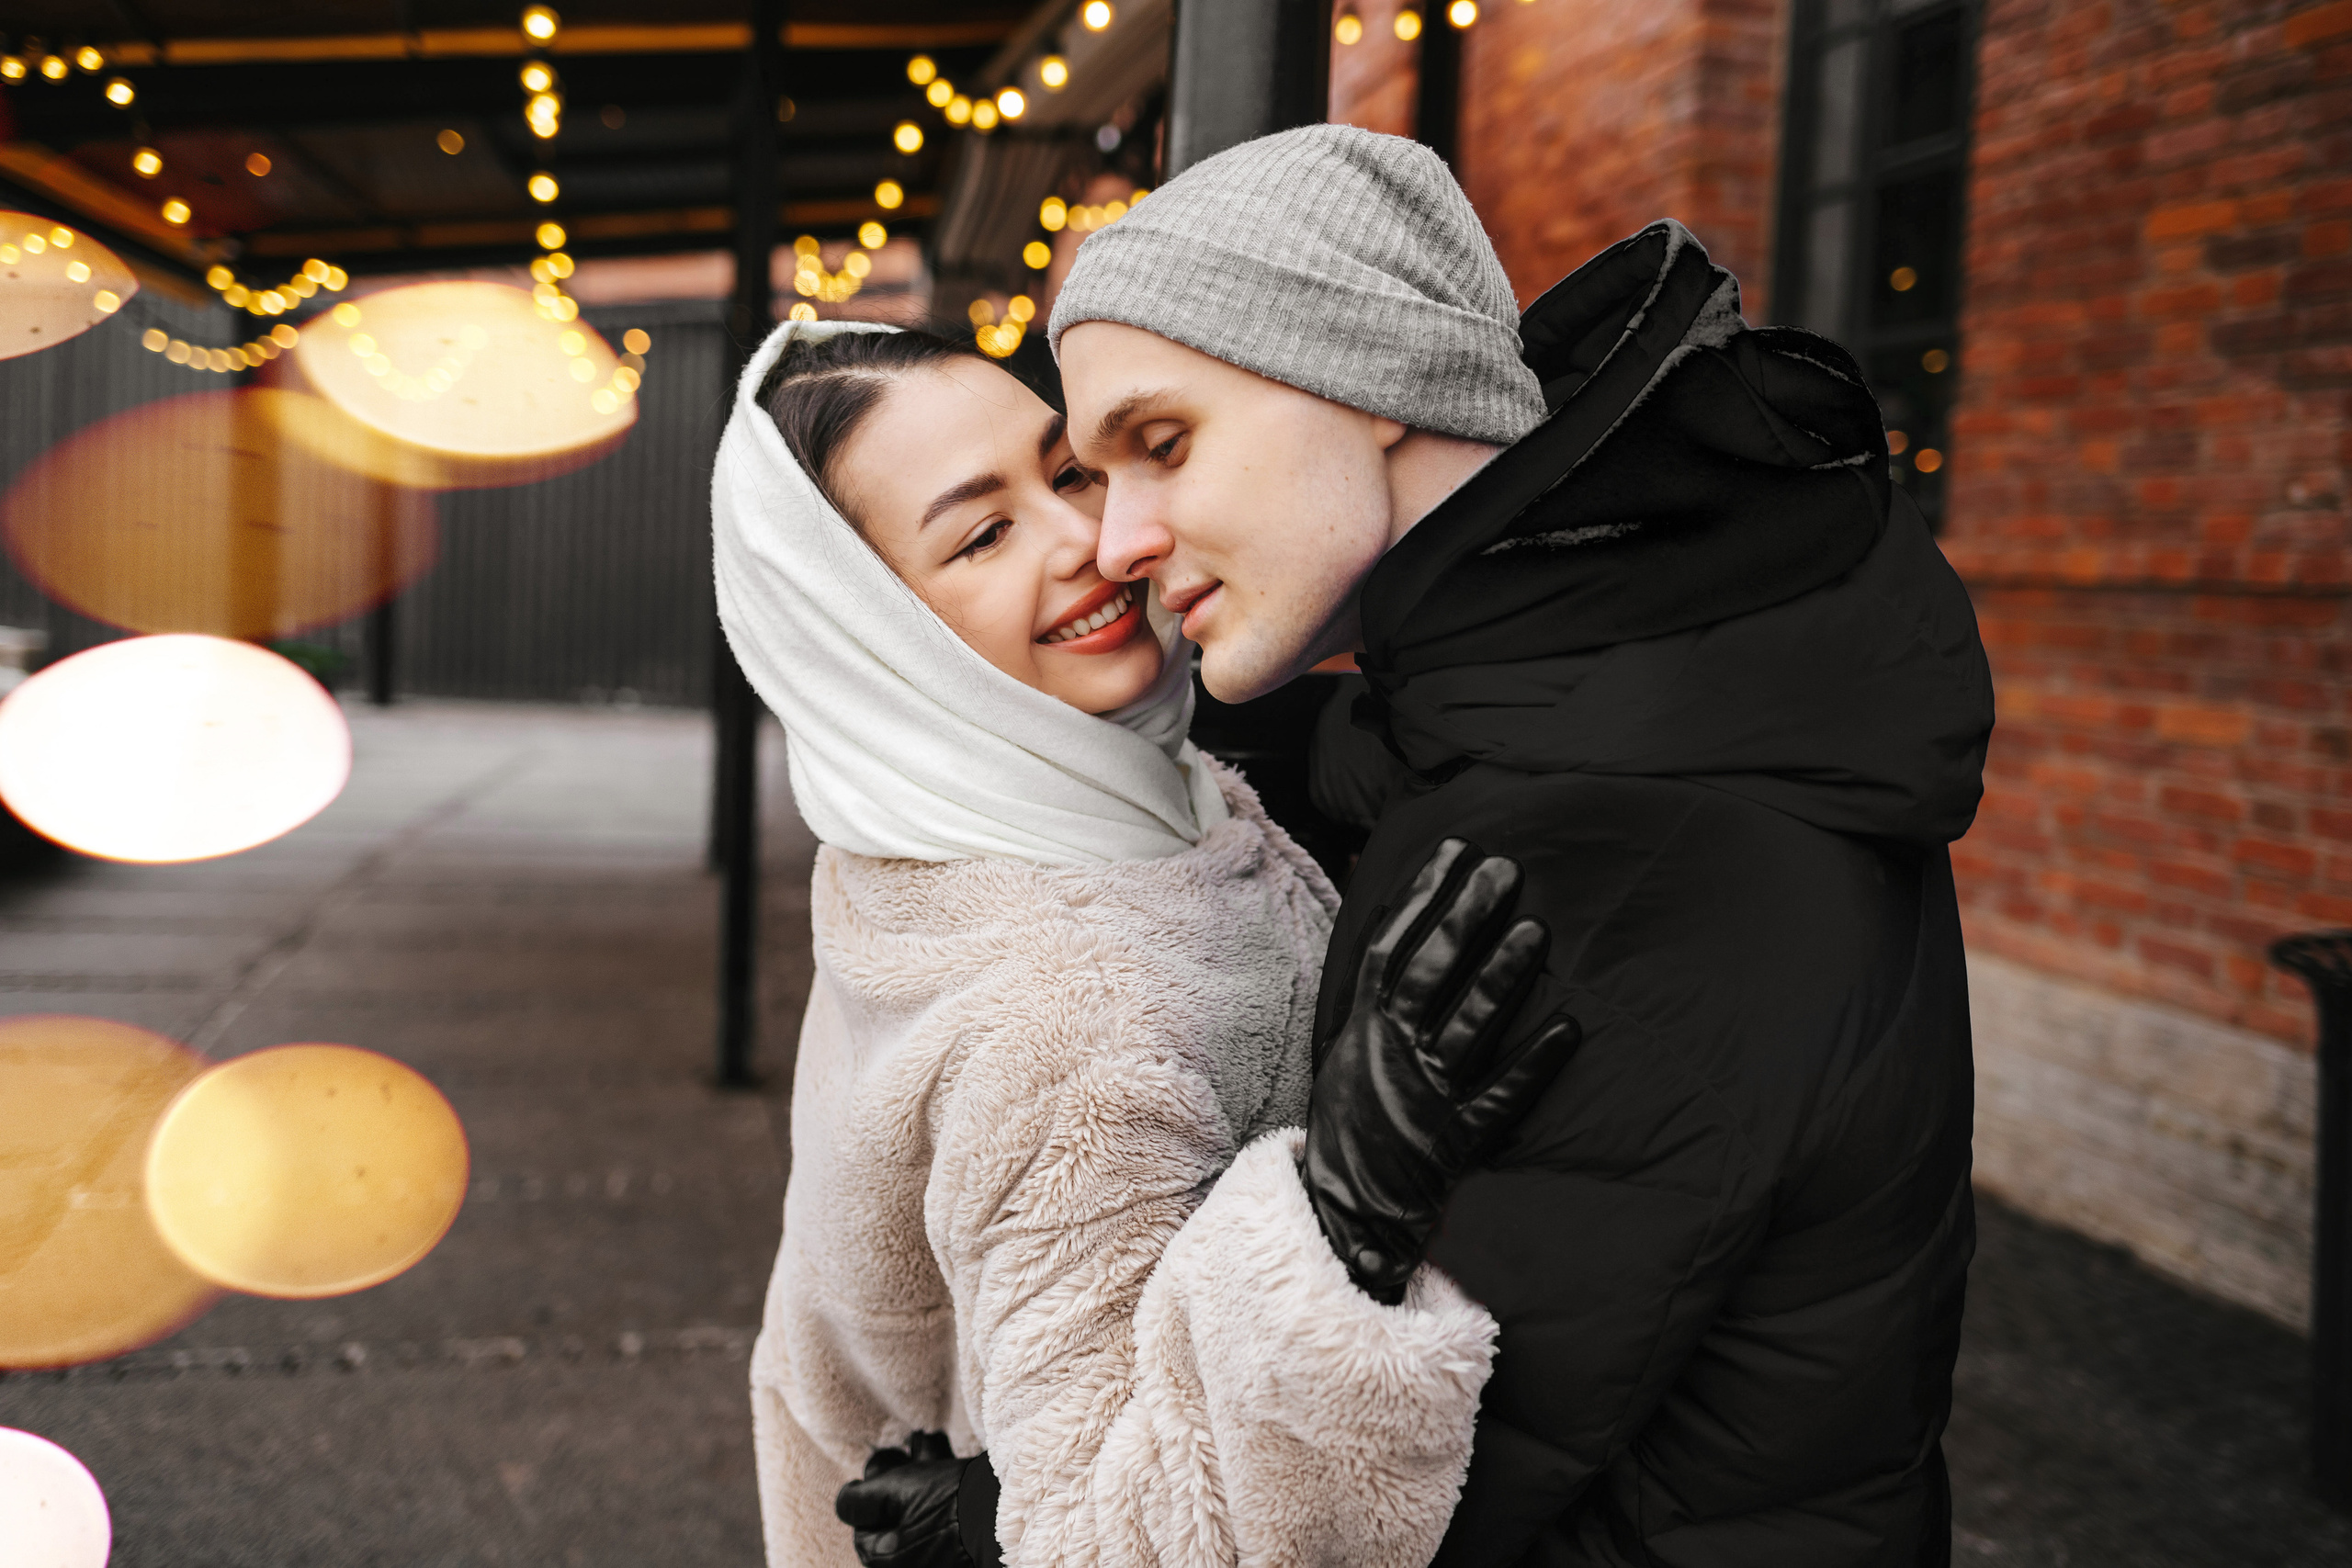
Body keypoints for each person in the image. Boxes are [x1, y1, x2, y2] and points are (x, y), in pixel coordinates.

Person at [876, 126, 1997, 1565]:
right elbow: (1410, 748)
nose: (1121, 541)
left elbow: (1423, 1483)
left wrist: (1000, 1530)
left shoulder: (1597, 840)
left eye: (1161, 444)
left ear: (1378, 375)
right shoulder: (1642, 669)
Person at [710, 320, 1577, 1568]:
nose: (1092, 539)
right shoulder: (1070, 1017)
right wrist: (1343, 1215)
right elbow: (1114, 1541)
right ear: (873, 643)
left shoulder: (930, 840)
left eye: (1064, 473)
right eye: (983, 533)